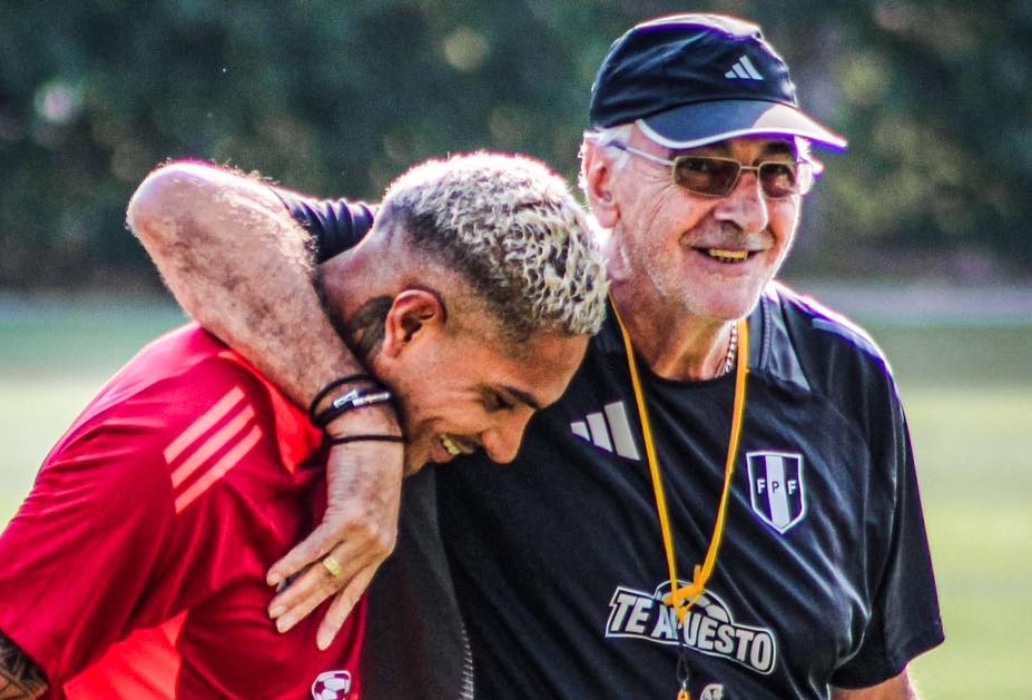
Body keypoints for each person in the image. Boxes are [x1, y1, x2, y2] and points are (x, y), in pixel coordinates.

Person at [132, 13, 945, 699]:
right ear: (599, 177)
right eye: (705, 171)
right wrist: (361, 416)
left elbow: (873, 680)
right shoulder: (505, 305)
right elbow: (181, 209)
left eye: (778, 175)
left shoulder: (847, 379)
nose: (748, 210)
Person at [0, 151, 609, 700]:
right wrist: (362, 418)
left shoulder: (402, 400)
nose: (505, 446)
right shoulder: (182, 442)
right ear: (411, 322)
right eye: (497, 402)